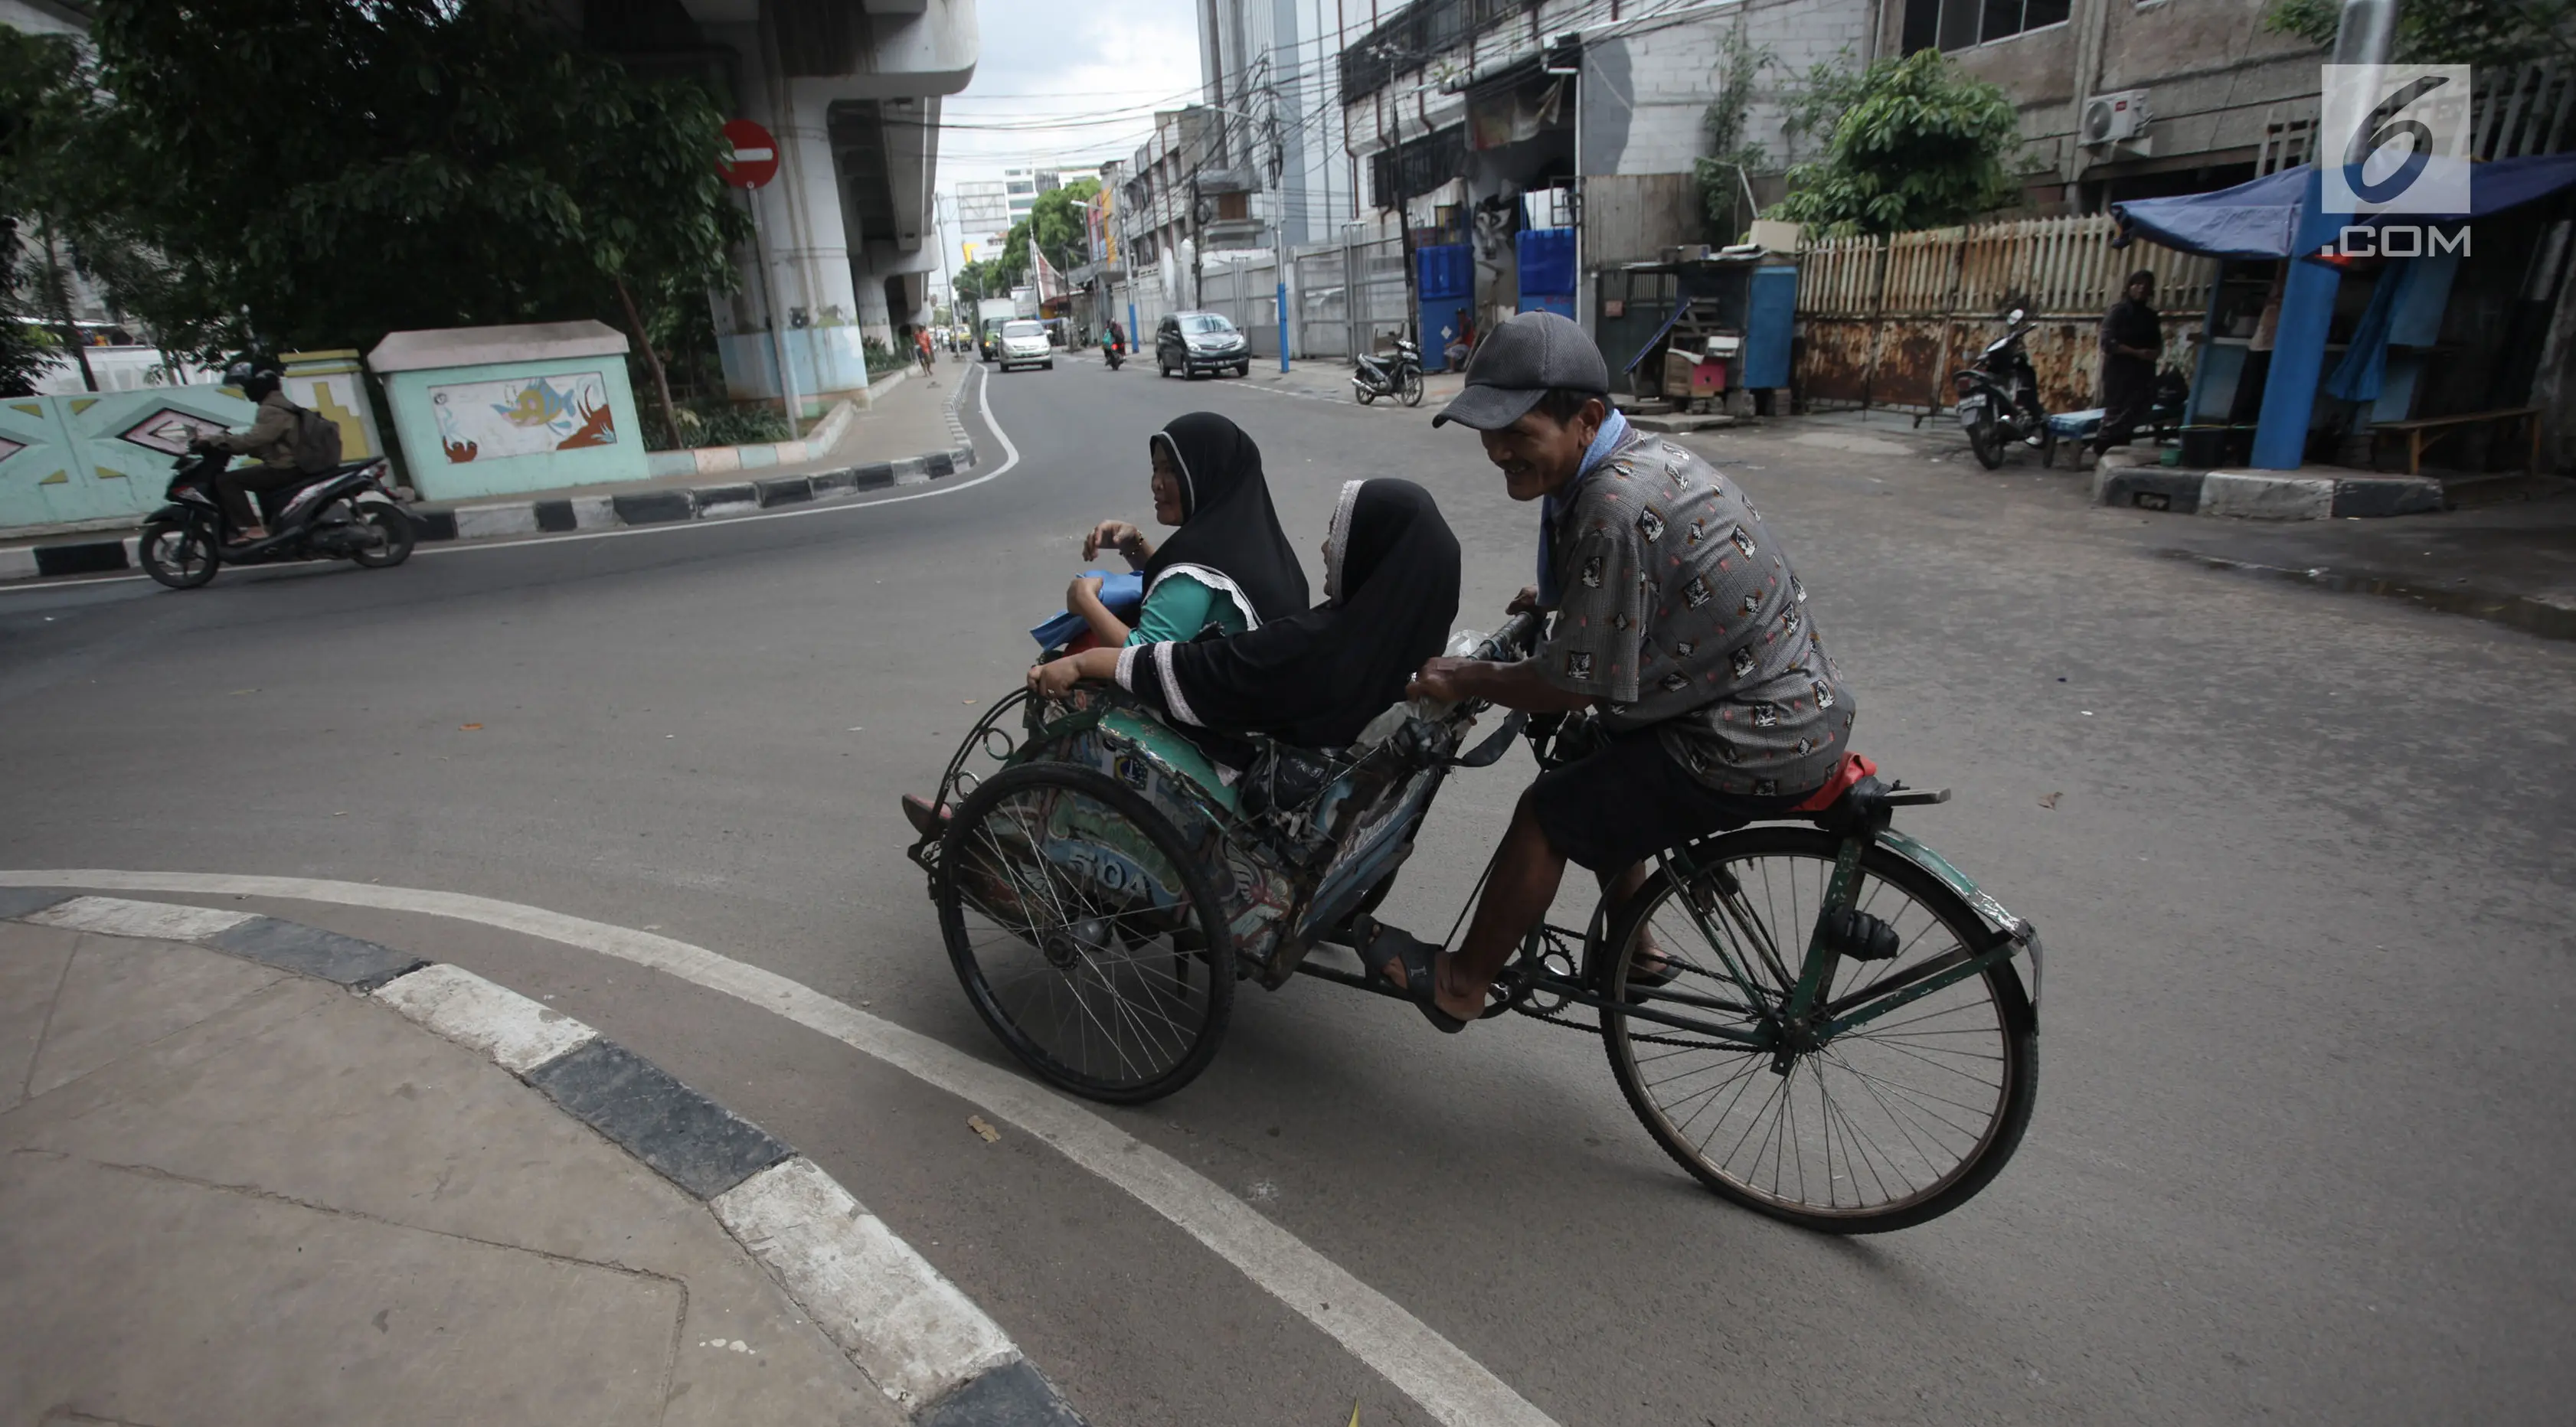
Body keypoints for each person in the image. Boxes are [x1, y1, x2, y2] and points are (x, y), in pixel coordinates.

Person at [1376, 311, 1857, 1032]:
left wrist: (1464, 676)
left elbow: (1570, 684)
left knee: (1549, 815)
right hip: (1779, 702)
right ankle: (1640, 951)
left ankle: (1460, 983)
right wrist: (1567, 600)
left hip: (1751, 733)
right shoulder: (1639, 459)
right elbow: (1648, 577)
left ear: (1587, 417)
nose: (1500, 451)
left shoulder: (1611, 504)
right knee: (1587, 754)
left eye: (1519, 432)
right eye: (1490, 431)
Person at [1028, 478, 1460, 750]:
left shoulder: (1313, 646)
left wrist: (1084, 649)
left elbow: (1193, 668)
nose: (1327, 549)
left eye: (1340, 535)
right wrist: (1137, 545)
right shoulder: (1394, 635)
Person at [1067, 412, 1307, 650]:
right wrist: (1133, 546)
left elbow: (1140, 660)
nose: (1156, 483)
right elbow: (1194, 589)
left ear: (1206, 475)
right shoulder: (1258, 545)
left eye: (1171, 470)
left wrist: (1085, 600)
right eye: (1155, 469)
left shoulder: (1196, 564)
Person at [192, 358, 303, 544]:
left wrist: (217, 440)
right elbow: (263, 440)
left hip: (286, 467)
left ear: (257, 386)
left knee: (226, 481)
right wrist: (231, 443)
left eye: (246, 386)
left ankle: (254, 529)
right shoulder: (279, 406)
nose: (245, 390)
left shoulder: (270, 410)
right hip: (291, 463)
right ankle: (272, 527)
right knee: (258, 480)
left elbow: (253, 439)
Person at [2094, 269, 2161, 458]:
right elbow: (2108, 343)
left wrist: (2153, 354)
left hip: (2142, 374)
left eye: (2146, 287)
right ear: (2130, 287)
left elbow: (2157, 343)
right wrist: (2136, 352)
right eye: (2137, 285)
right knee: (2116, 414)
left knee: (2132, 416)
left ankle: (2119, 454)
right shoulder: (2119, 312)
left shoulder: (2150, 316)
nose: (2141, 289)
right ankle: (2102, 450)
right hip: (2119, 373)